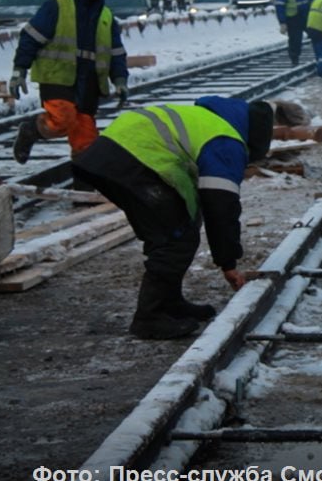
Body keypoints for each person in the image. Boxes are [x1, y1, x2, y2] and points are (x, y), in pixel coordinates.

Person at [71, 96, 306, 339]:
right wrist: (228, 263)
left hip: (114, 155)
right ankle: (149, 318)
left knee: (177, 229)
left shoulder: (212, 121)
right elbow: (221, 207)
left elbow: (205, 202)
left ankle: (169, 304)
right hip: (132, 162)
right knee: (174, 239)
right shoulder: (226, 142)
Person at [10, 0, 129, 165]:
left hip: (89, 83)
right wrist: (20, 69)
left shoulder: (106, 16)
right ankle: (31, 130)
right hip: (57, 78)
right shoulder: (57, 6)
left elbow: (116, 53)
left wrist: (120, 80)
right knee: (62, 120)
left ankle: (82, 191)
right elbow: (31, 37)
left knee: (86, 139)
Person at [274, 0, 312, 65]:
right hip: (293, 19)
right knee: (295, 40)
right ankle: (294, 59)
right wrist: (282, 22)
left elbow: (308, 0)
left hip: (305, 16)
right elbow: (280, 7)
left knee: (317, 35)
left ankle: (321, 56)